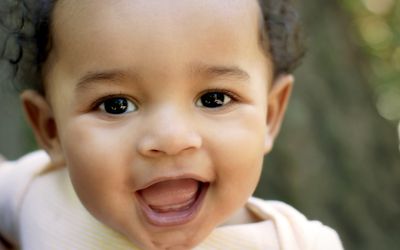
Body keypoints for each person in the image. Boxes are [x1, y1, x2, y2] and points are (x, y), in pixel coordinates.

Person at [0, 0, 343, 249]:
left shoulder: (299, 243)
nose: (171, 138)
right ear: (51, 130)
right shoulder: (36, 192)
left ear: (269, 116)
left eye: (215, 99)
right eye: (115, 105)